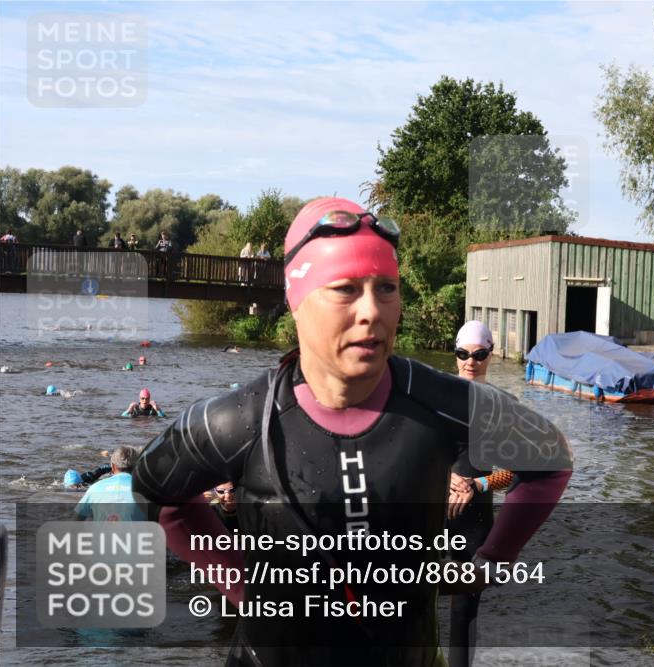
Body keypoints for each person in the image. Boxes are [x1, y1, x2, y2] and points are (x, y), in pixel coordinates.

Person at [132, 196, 572, 666]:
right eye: (345, 288)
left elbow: (551, 462)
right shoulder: (237, 420)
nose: (371, 311)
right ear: (296, 300)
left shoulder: (446, 403)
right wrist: (241, 585)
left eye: (386, 288)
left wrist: (493, 560)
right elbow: (156, 492)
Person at [446, 320, 517, 667]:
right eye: (463, 354)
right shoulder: (435, 399)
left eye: (479, 354)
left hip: (475, 519)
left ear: (491, 354)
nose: (470, 361)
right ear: (455, 355)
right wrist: (444, 478)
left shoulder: (504, 405)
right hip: (432, 510)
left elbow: (518, 471)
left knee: (465, 608)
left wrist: (479, 484)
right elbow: (409, 455)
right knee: (411, 599)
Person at [75, 446, 146, 522]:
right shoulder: (146, 490)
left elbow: (76, 520)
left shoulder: (94, 488)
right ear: (137, 466)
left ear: (113, 466)